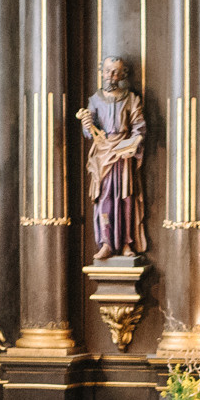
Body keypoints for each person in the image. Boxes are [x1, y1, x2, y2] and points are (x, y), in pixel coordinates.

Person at [78, 57, 147, 259]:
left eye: (116, 72)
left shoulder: (131, 99)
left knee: (126, 198)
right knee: (104, 198)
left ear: (123, 75)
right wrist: (87, 125)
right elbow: (90, 131)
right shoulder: (95, 100)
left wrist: (134, 142)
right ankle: (106, 242)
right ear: (102, 72)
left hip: (123, 152)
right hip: (103, 153)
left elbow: (139, 126)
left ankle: (126, 243)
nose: (111, 76)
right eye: (108, 71)